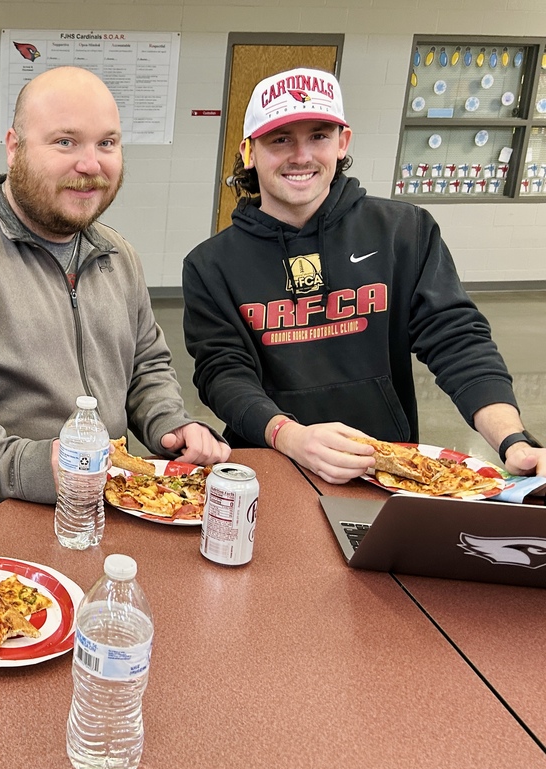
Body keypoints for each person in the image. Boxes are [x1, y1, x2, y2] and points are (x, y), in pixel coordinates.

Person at [0, 66, 230, 588]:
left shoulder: (117, 254)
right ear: (14, 147)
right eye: (65, 141)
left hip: (83, 517)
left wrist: (167, 423)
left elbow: (145, 362)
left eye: (107, 142)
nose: (90, 164)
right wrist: (33, 467)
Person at [182, 67, 546, 484]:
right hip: (269, 466)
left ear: (342, 142)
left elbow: (457, 340)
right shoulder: (210, 265)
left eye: (318, 136)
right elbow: (224, 373)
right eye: (280, 139)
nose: (301, 156)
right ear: (249, 152)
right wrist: (289, 436)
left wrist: (512, 441)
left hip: (385, 465)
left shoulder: (403, 232)